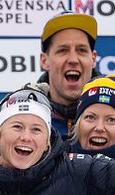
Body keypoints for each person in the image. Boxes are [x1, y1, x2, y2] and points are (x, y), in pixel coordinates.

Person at [38, 11, 99, 139]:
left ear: (93, 59)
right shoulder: (24, 118)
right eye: (63, 50)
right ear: (44, 61)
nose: (73, 59)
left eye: (81, 50)